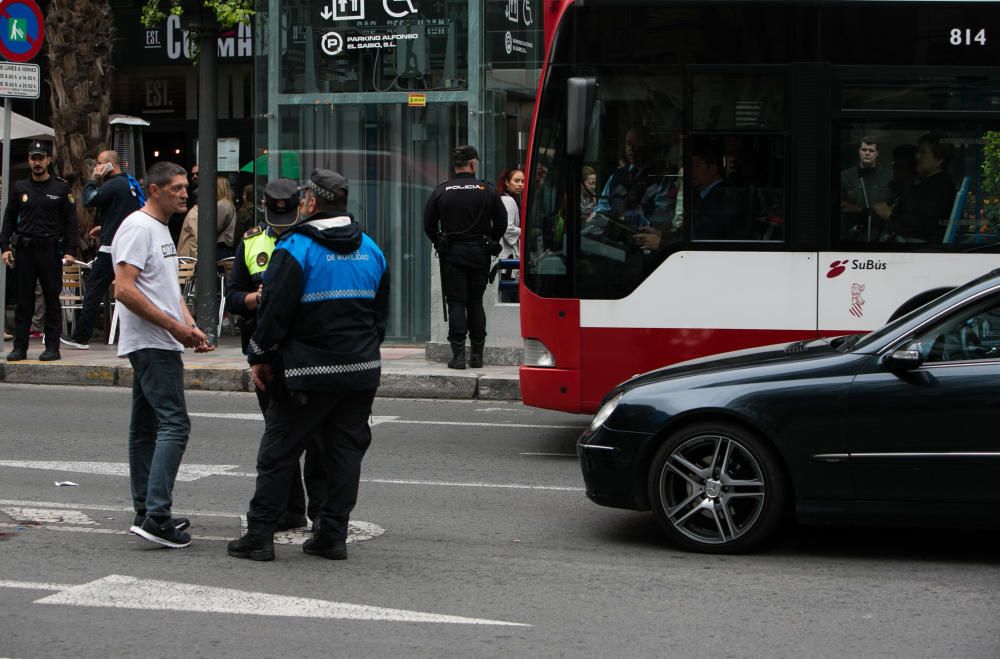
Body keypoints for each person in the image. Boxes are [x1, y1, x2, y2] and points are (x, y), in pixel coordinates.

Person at [228, 169, 389, 562]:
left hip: (305, 372)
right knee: (345, 454)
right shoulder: (372, 248)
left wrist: (261, 356)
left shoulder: (296, 247)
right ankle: (332, 536)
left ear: (312, 203)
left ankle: (260, 535)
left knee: (279, 452)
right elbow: (379, 318)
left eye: (304, 200)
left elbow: (275, 312)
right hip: (360, 371)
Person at [113, 161, 213, 549]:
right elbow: (124, 289)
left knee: (146, 427)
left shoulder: (160, 230)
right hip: (152, 341)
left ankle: (147, 509)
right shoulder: (138, 228)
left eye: (186, 187)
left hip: (163, 339)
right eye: (175, 188)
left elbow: (165, 288)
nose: (184, 193)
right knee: (175, 424)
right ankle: (156, 515)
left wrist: (188, 324)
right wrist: (174, 328)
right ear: (153, 190)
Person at [225, 178, 325, 532]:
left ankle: (322, 515)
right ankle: (291, 509)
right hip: (267, 353)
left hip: (305, 351)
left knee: (314, 438)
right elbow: (233, 295)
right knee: (280, 437)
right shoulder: (252, 242)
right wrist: (257, 298)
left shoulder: (314, 241)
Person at [423, 145, 507, 369]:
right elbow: (502, 221)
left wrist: (439, 239)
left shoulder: (442, 190)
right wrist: (491, 239)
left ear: (455, 164)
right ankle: (477, 356)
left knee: (457, 303)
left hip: (452, 254)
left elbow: (428, 223)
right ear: (473, 164)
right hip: (479, 253)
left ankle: (459, 356)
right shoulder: (486, 190)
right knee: (475, 302)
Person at [0, 141, 78, 362]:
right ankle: (20, 348)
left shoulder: (61, 188)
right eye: (33, 158)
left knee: (51, 299)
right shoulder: (20, 188)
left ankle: (52, 347)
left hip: (50, 250)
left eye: (41, 158)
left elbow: (71, 221)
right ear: (29, 160)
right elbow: (8, 218)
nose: (37, 162)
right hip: (25, 250)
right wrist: (4, 246)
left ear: (49, 160)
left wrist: (71, 250)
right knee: (24, 301)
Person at [61, 150, 142, 350]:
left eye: (99, 164)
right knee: (135, 289)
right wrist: (104, 227)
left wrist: (92, 180)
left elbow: (88, 200)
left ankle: (80, 338)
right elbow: (123, 214)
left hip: (111, 249)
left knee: (94, 291)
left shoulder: (112, 184)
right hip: (128, 245)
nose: (97, 167)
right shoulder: (130, 184)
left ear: (108, 165)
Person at [873, 133, 956, 243]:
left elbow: (925, 225)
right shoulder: (918, 181)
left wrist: (890, 216)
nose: (917, 156)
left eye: (923, 153)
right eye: (918, 152)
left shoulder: (940, 187)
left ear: (939, 159)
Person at [840, 137, 892, 241]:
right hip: (853, 234)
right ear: (859, 151)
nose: (867, 153)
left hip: (881, 234)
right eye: (864, 150)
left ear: (877, 153)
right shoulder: (845, 176)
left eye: (871, 150)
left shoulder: (889, 176)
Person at [176, 177, 237, 260]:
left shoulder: (221, 205)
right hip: (224, 247)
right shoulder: (228, 204)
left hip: (220, 247)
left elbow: (212, 228)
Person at [496, 167, 524, 303]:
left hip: (506, 254)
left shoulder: (510, 199)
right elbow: (507, 229)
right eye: (516, 181)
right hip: (507, 254)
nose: (520, 185)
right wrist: (524, 232)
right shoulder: (509, 201)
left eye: (522, 181)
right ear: (507, 182)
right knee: (508, 297)